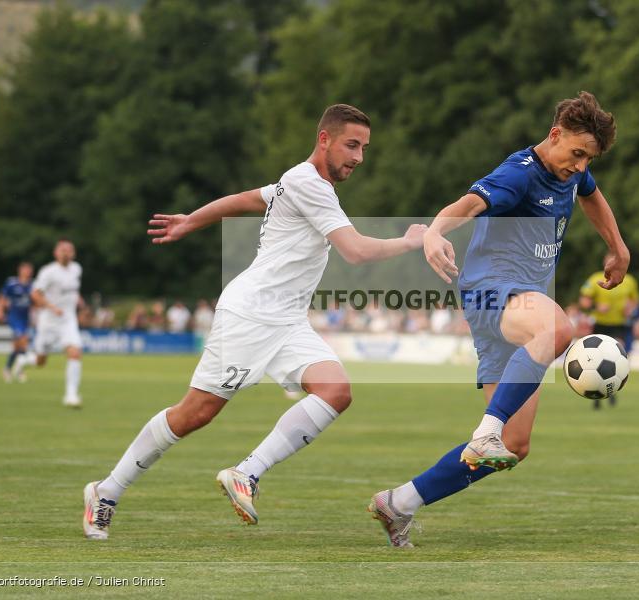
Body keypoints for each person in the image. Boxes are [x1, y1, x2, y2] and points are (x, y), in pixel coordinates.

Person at [82, 104, 426, 540]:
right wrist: (410, 240)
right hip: (250, 314)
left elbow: (247, 198)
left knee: (336, 391)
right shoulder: (310, 184)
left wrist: (193, 219)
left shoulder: (300, 180)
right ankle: (106, 491)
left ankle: (247, 473)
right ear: (324, 139)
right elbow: (355, 251)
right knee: (194, 414)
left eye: (364, 148)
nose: (359, 157)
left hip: (285, 319)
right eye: (351, 145)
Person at [368, 91, 629, 547]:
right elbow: (466, 205)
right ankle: (485, 431)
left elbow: (591, 195)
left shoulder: (572, 172)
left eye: (589, 158)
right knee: (559, 329)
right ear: (555, 135)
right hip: (493, 291)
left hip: (514, 306)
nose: (582, 166)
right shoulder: (519, 174)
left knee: (515, 445)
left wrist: (618, 246)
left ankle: (399, 503)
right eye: (577, 153)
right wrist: (433, 232)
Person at [11, 239, 85, 407]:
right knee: (40, 361)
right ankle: (23, 361)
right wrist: (52, 307)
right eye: (62, 249)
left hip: (68, 320)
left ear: (73, 253)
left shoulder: (76, 269)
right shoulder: (48, 272)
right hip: (49, 321)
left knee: (75, 352)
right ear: (56, 253)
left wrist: (79, 301)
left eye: (69, 250)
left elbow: (72, 290)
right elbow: (35, 294)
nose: (66, 252)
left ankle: (71, 395)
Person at [578, 269, 639, 409]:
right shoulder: (595, 278)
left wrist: (630, 308)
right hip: (600, 325)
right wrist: (596, 307)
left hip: (619, 325)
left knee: (616, 360)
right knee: (595, 362)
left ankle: (611, 391)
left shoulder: (629, 280)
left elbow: (635, 300)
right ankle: (597, 396)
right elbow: (583, 301)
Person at [0, 261, 34, 383]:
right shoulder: (12, 283)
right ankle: (20, 369)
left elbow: (37, 301)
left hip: (25, 318)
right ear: (20, 270)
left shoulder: (33, 285)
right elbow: (1, 298)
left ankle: (7, 368)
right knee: (23, 340)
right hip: (14, 317)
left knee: (18, 347)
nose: (28, 272)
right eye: (25, 269)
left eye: (29, 270)